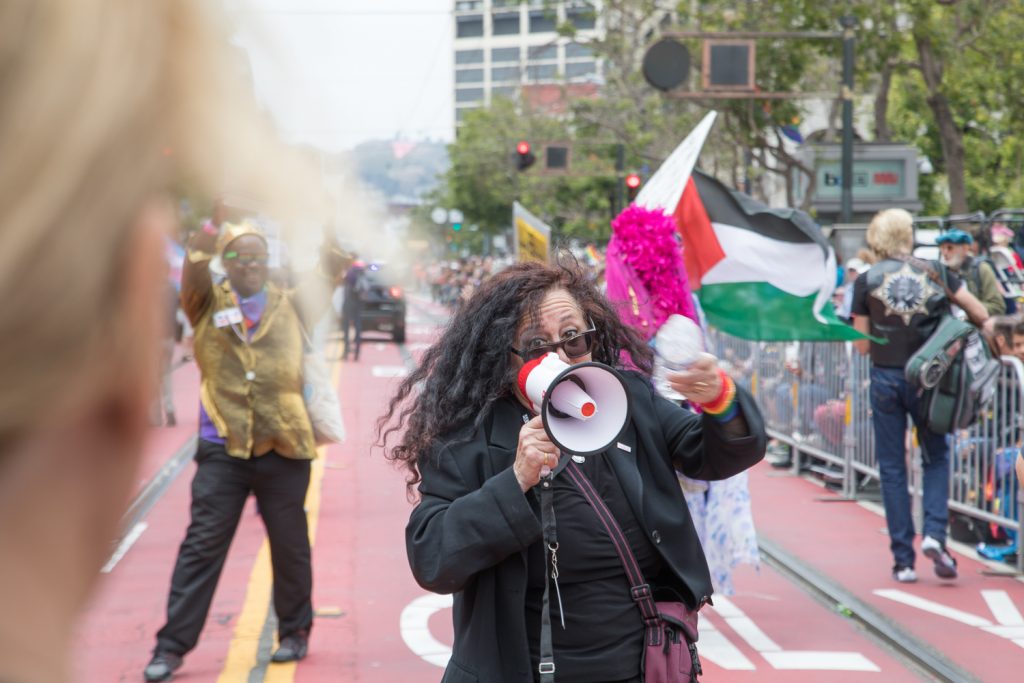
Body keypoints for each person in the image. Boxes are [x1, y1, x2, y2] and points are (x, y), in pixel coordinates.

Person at [379, 260, 766, 682]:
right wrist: (516, 480)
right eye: (536, 344)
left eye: (572, 338)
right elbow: (433, 558)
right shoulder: (466, 440)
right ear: (502, 357)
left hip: (639, 666)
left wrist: (720, 400)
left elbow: (713, 455)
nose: (559, 356)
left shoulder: (627, 399)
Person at [144, 221, 347, 681]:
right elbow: (194, 270)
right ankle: (170, 647)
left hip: (285, 447)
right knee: (201, 547)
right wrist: (205, 239)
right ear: (225, 263)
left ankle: (295, 632)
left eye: (258, 257)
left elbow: (328, 275)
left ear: (268, 263)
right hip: (223, 450)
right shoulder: (204, 303)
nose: (251, 265)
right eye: (240, 257)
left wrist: (334, 245)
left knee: (290, 546)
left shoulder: (292, 304)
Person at [852, 208, 990, 584]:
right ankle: (935, 535)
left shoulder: (865, 280)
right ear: (907, 235)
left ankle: (903, 560)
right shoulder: (937, 271)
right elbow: (978, 312)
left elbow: (863, 345)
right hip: (930, 380)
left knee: (893, 468)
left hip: (884, 378)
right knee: (935, 456)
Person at [937, 229, 1006, 316]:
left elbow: (997, 307)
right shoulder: (941, 273)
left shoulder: (981, 269)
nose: (945, 253)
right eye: (942, 248)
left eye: (950, 248)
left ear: (965, 249)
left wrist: (968, 311)